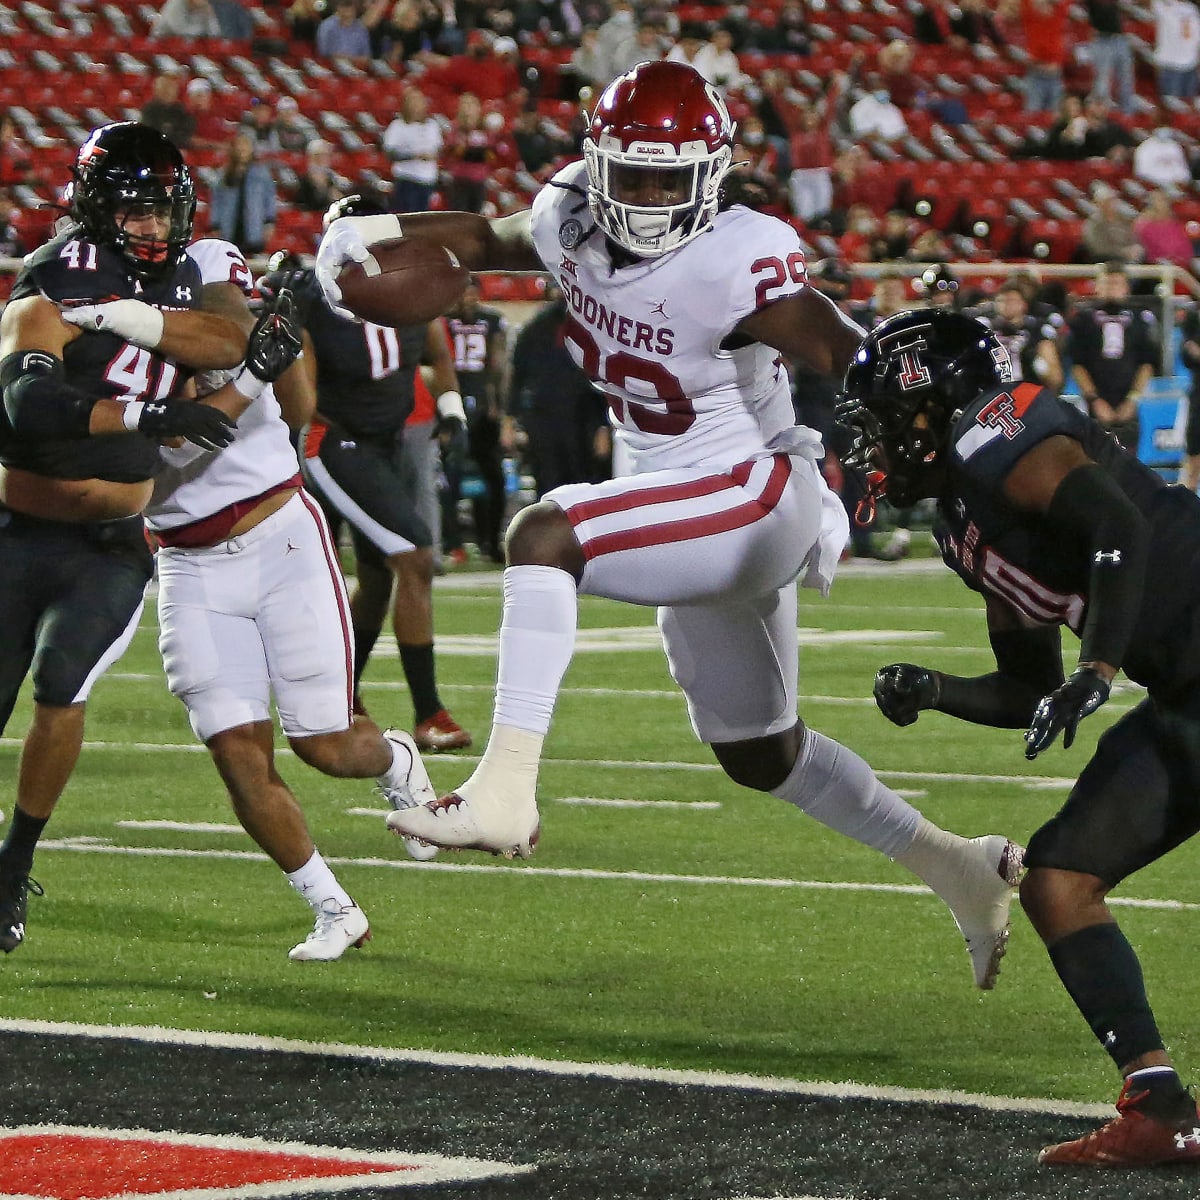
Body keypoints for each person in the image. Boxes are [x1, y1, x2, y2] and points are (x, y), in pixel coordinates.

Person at [314, 60, 1023, 991]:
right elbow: (489, 236)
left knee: (544, 535)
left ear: (712, 174)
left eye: (669, 178)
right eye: (632, 174)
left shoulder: (742, 254)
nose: (647, 198)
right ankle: (960, 869)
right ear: (598, 164)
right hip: (681, 500)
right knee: (761, 754)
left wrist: (922, 407)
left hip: (753, 492)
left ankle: (503, 790)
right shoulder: (573, 209)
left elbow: (842, 346)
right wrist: (369, 232)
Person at [836, 306, 1200, 1166]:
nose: (873, 439)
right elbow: (1030, 685)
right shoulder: (962, 524)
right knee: (1061, 879)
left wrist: (1100, 671)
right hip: (1187, 692)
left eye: (886, 416)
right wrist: (937, 691)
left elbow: (1119, 526)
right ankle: (1159, 1108)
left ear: (935, 403)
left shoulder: (999, 428)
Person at [142, 238, 439, 952]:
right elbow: (170, 451)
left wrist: (288, 330)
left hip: (280, 535)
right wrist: (246, 371)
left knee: (328, 747)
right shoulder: (91, 319)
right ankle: (336, 909)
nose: (142, 224)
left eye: (153, 205)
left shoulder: (211, 265)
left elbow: (298, 406)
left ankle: (395, 759)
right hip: (189, 562)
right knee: (237, 753)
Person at [0, 122, 248, 954]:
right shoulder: (57, 273)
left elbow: (230, 342)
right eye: (135, 210)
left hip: (110, 539)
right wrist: (145, 410)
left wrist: (144, 324)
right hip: (18, 530)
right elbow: (24, 404)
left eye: (162, 210)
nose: (152, 227)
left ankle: (13, 864)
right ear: (98, 209)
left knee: (62, 684)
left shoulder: (189, 275)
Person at [294, 195, 473, 754]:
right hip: (334, 439)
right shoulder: (312, 296)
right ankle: (429, 713)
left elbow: (439, 355)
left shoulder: (412, 281)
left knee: (379, 580)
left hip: (389, 439)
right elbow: (303, 397)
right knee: (415, 556)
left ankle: (337, 695)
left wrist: (452, 410)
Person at [506, 280, 608, 498]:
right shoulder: (535, 329)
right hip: (545, 419)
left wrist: (602, 425)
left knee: (584, 484)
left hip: (583, 418)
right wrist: (510, 420)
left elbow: (603, 380)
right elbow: (518, 375)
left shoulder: (592, 327)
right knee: (549, 485)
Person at [443, 276, 509, 564]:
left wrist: (498, 407)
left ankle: (491, 542)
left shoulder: (491, 321)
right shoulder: (441, 322)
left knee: (493, 477)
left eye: (471, 293)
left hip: (483, 409)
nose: (467, 299)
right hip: (451, 405)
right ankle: (452, 543)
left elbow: (498, 364)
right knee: (449, 477)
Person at [1067, 261, 1159, 452]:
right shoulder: (1083, 320)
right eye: (1107, 283)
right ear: (1097, 286)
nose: (1112, 288)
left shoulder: (1140, 319)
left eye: (1117, 283)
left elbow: (1146, 363)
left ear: (1126, 287)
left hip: (1128, 402)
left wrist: (1133, 399)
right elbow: (1077, 364)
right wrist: (1094, 400)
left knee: (1129, 465)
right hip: (1095, 403)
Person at [981, 277, 1065, 394]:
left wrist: (1042, 368)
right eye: (1001, 301)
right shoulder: (987, 329)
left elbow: (1055, 376)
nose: (1006, 305)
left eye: (1012, 300)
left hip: (1029, 391)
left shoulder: (1037, 329)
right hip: (994, 392)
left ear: (1023, 304)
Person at [206, 129, 278, 257]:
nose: (242, 148)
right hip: (229, 229)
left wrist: (269, 221)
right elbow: (216, 201)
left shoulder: (262, 173)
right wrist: (215, 225)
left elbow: (269, 199)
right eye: (239, 144)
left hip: (254, 229)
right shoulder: (223, 175)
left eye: (246, 144)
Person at [382, 88, 443, 214]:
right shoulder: (398, 126)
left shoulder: (432, 125)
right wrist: (413, 156)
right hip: (407, 178)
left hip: (428, 179)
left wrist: (433, 156)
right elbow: (390, 153)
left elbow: (439, 148)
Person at [140, 70, 196, 151]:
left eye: (172, 87)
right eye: (165, 87)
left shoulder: (181, 110)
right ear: (156, 90)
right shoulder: (149, 110)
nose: (168, 91)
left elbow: (187, 134)